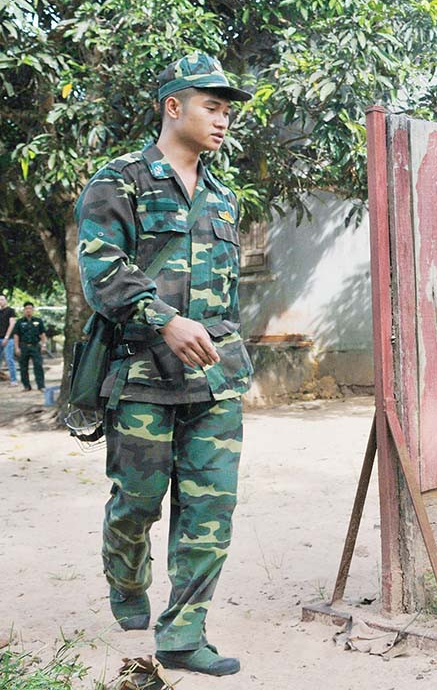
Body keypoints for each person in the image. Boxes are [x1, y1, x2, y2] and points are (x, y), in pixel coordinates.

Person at [75, 52, 253, 677]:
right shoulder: (119, 181)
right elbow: (101, 272)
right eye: (212, 107)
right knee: (138, 502)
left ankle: (183, 635)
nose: (223, 120)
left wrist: (229, 356)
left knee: (210, 512)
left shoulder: (225, 199)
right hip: (143, 379)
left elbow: (227, 298)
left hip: (215, 383)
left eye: (228, 111)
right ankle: (126, 583)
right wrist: (164, 320)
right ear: (173, 106)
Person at [12, 301, 46, 392]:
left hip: (35, 346)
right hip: (23, 346)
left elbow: (42, 334)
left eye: (30, 309)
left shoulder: (38, 321)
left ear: (33, 310)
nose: (28, 311)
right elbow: (16, 335)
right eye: (26, 309)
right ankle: (26, 386)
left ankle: (41, 386)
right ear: (24, 310)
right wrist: (16, 348)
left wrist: (43, 345)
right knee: (23, 367)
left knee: (38, 366)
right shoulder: (19, 322)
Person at [0, 294, 18, 386]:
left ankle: (14, 380)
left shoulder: (11, 311)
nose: (1, 301)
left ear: (6, 300)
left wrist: (6, 337)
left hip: (8, 339)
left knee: (9, 359)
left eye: (2, 299)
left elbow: (12, 324)